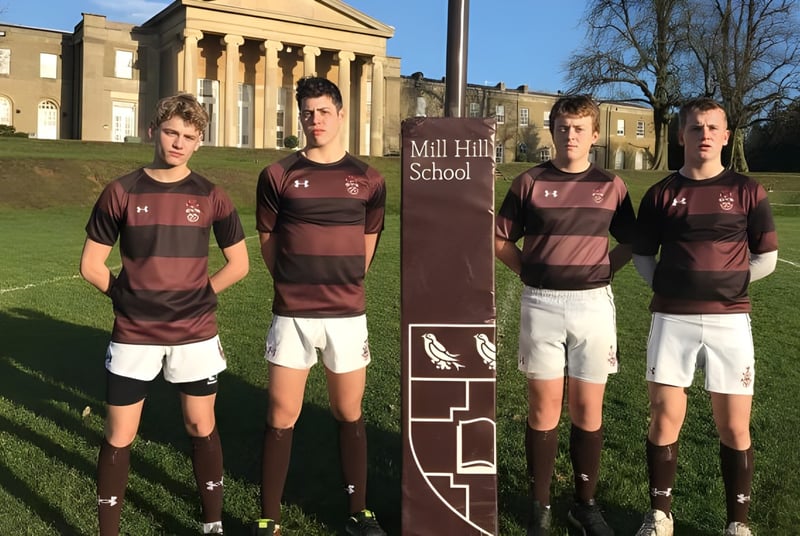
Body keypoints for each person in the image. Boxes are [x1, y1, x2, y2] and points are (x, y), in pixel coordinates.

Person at [79, 93, 249, 535]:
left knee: (200, 425)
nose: (178, 143)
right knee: (119, 434)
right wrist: (124, 296)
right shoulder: (122, 190)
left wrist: (200, 294)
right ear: (153, 131)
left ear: (199, 143)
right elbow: (91, 265)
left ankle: (213, 524)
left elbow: (240, 264)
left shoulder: (212, 194)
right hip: (134, 334)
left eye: (188, 137)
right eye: (171, 132)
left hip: (195, 333)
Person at [632, 97, 778, 536]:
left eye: (714, 128)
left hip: (730, 322)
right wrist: (672, 286)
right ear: (682, 135)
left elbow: (766, 257)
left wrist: (727, 286)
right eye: (696, 128)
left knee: (734, 424)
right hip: (672, 320)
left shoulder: (748, 190)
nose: (705, 135)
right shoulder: (661, 193)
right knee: (663, 416)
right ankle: (660, 516)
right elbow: (642, 257)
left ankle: (738, 523)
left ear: (727, 136)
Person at [252, 77, 387, 536]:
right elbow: (268, 241)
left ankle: (359, 512)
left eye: (323, 112)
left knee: (349, 412)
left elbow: (369, 241)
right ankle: (270, 516)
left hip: (347, 314)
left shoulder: (368, 178)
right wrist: (293, 280)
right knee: (280, 414)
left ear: (341, 114)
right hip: (293, 312)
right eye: (308, 113)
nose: (315, 121)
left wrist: (343, 280)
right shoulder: (277, 174)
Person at [495, 94, 635, 536]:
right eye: (562, 127)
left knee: (587, 408)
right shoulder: (529, 182)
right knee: (543, 408)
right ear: (553, 131)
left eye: (579, 128)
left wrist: (602, 271)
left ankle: (585, 504)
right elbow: (499, 240)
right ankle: (540, 505)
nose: (569, 135)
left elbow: (631, 241)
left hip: (592, 306)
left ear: (595, 135)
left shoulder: (612, 185)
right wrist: (532, 274)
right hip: (542, 304)